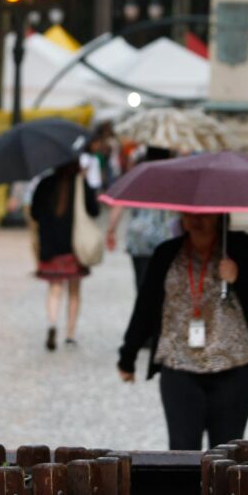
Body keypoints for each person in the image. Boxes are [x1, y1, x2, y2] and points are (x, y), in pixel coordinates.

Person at [117, 213, 248, 450]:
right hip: (179, 366)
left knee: (226, 457)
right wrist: (127, 357)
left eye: (205, 213)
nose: (196, 218)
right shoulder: (167, 253)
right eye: (189, 212)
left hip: (234, 368)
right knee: (182, 453)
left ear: (220, 215)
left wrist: (238, 277)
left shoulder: (242, 247)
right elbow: (146, 306)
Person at [31, 161, 96, 350]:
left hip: (51, 247)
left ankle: (52, 324)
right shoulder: (80, 184)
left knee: (55, 288)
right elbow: (94, 210)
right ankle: (70, 334)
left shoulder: (44, 184)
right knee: (74, 291)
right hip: (74, 247)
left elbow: (35, 213)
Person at [105, 147, 178, 290]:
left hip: (138, 235)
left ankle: (143, 307)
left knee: (141, 282)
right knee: (160, 283)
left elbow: (119, 204)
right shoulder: (172, 177)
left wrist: (111, 230)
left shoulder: (138, 174)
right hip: (163, 236)